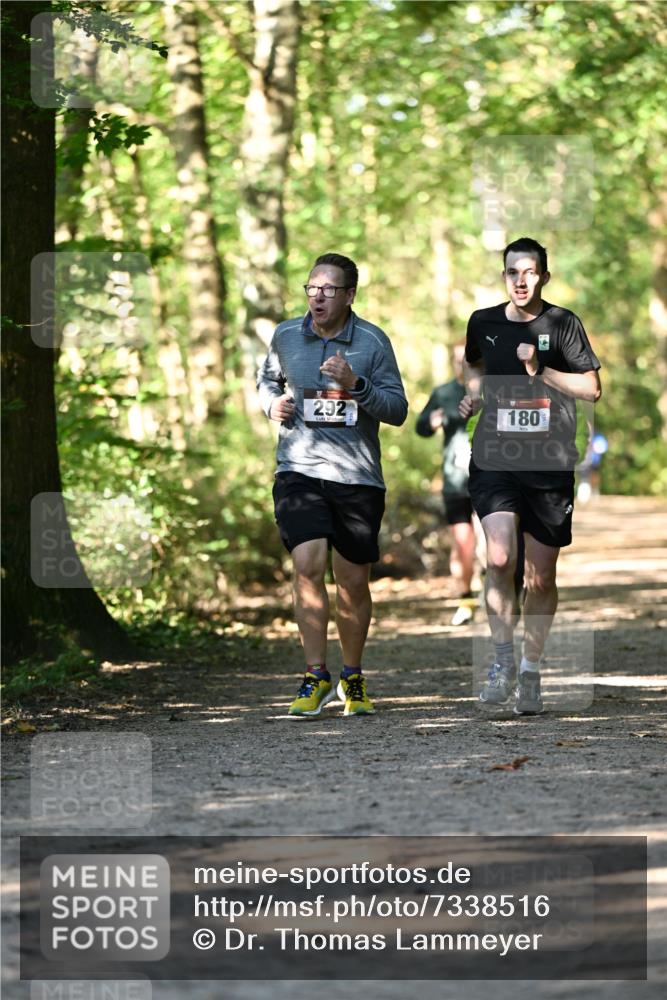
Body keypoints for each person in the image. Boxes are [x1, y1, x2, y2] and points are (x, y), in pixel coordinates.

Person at [257, 252, 408, 718]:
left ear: (349, 295)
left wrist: (356, 383)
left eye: (328, 290)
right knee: (307, 563)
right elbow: (266, 380)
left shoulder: (372, 342)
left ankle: (353, 676)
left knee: (352, 581)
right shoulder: (285, 335)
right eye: (311, 288)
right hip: (298, 469)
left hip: (357, 476)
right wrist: (271, 406)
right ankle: (314, 674)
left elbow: (397, 410)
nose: (317, 297)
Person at [459, 237, 601, 714]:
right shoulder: (483, 322)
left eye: (530, 272)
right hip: (495, 459)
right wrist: (474, 395)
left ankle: (530, 669)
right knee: (499, 559)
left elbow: (591, 388)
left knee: (540, 579)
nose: (521, 280)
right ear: (504, 276)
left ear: (544, 276)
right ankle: (501, 662)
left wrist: (542, 371)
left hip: (549, 465)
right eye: (512, 272)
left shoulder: (562, 324)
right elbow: (474, 364)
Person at [416, 343, 478, 625]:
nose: (462, 364)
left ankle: (504, 591)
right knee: (463, 543)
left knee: (496, 543)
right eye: (457, 360)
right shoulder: (443, 393)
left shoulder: (494, 388)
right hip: (456, 479)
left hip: (494, 477)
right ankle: (466, 599)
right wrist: (431, 420)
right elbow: (420, 426)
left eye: (468, 359)